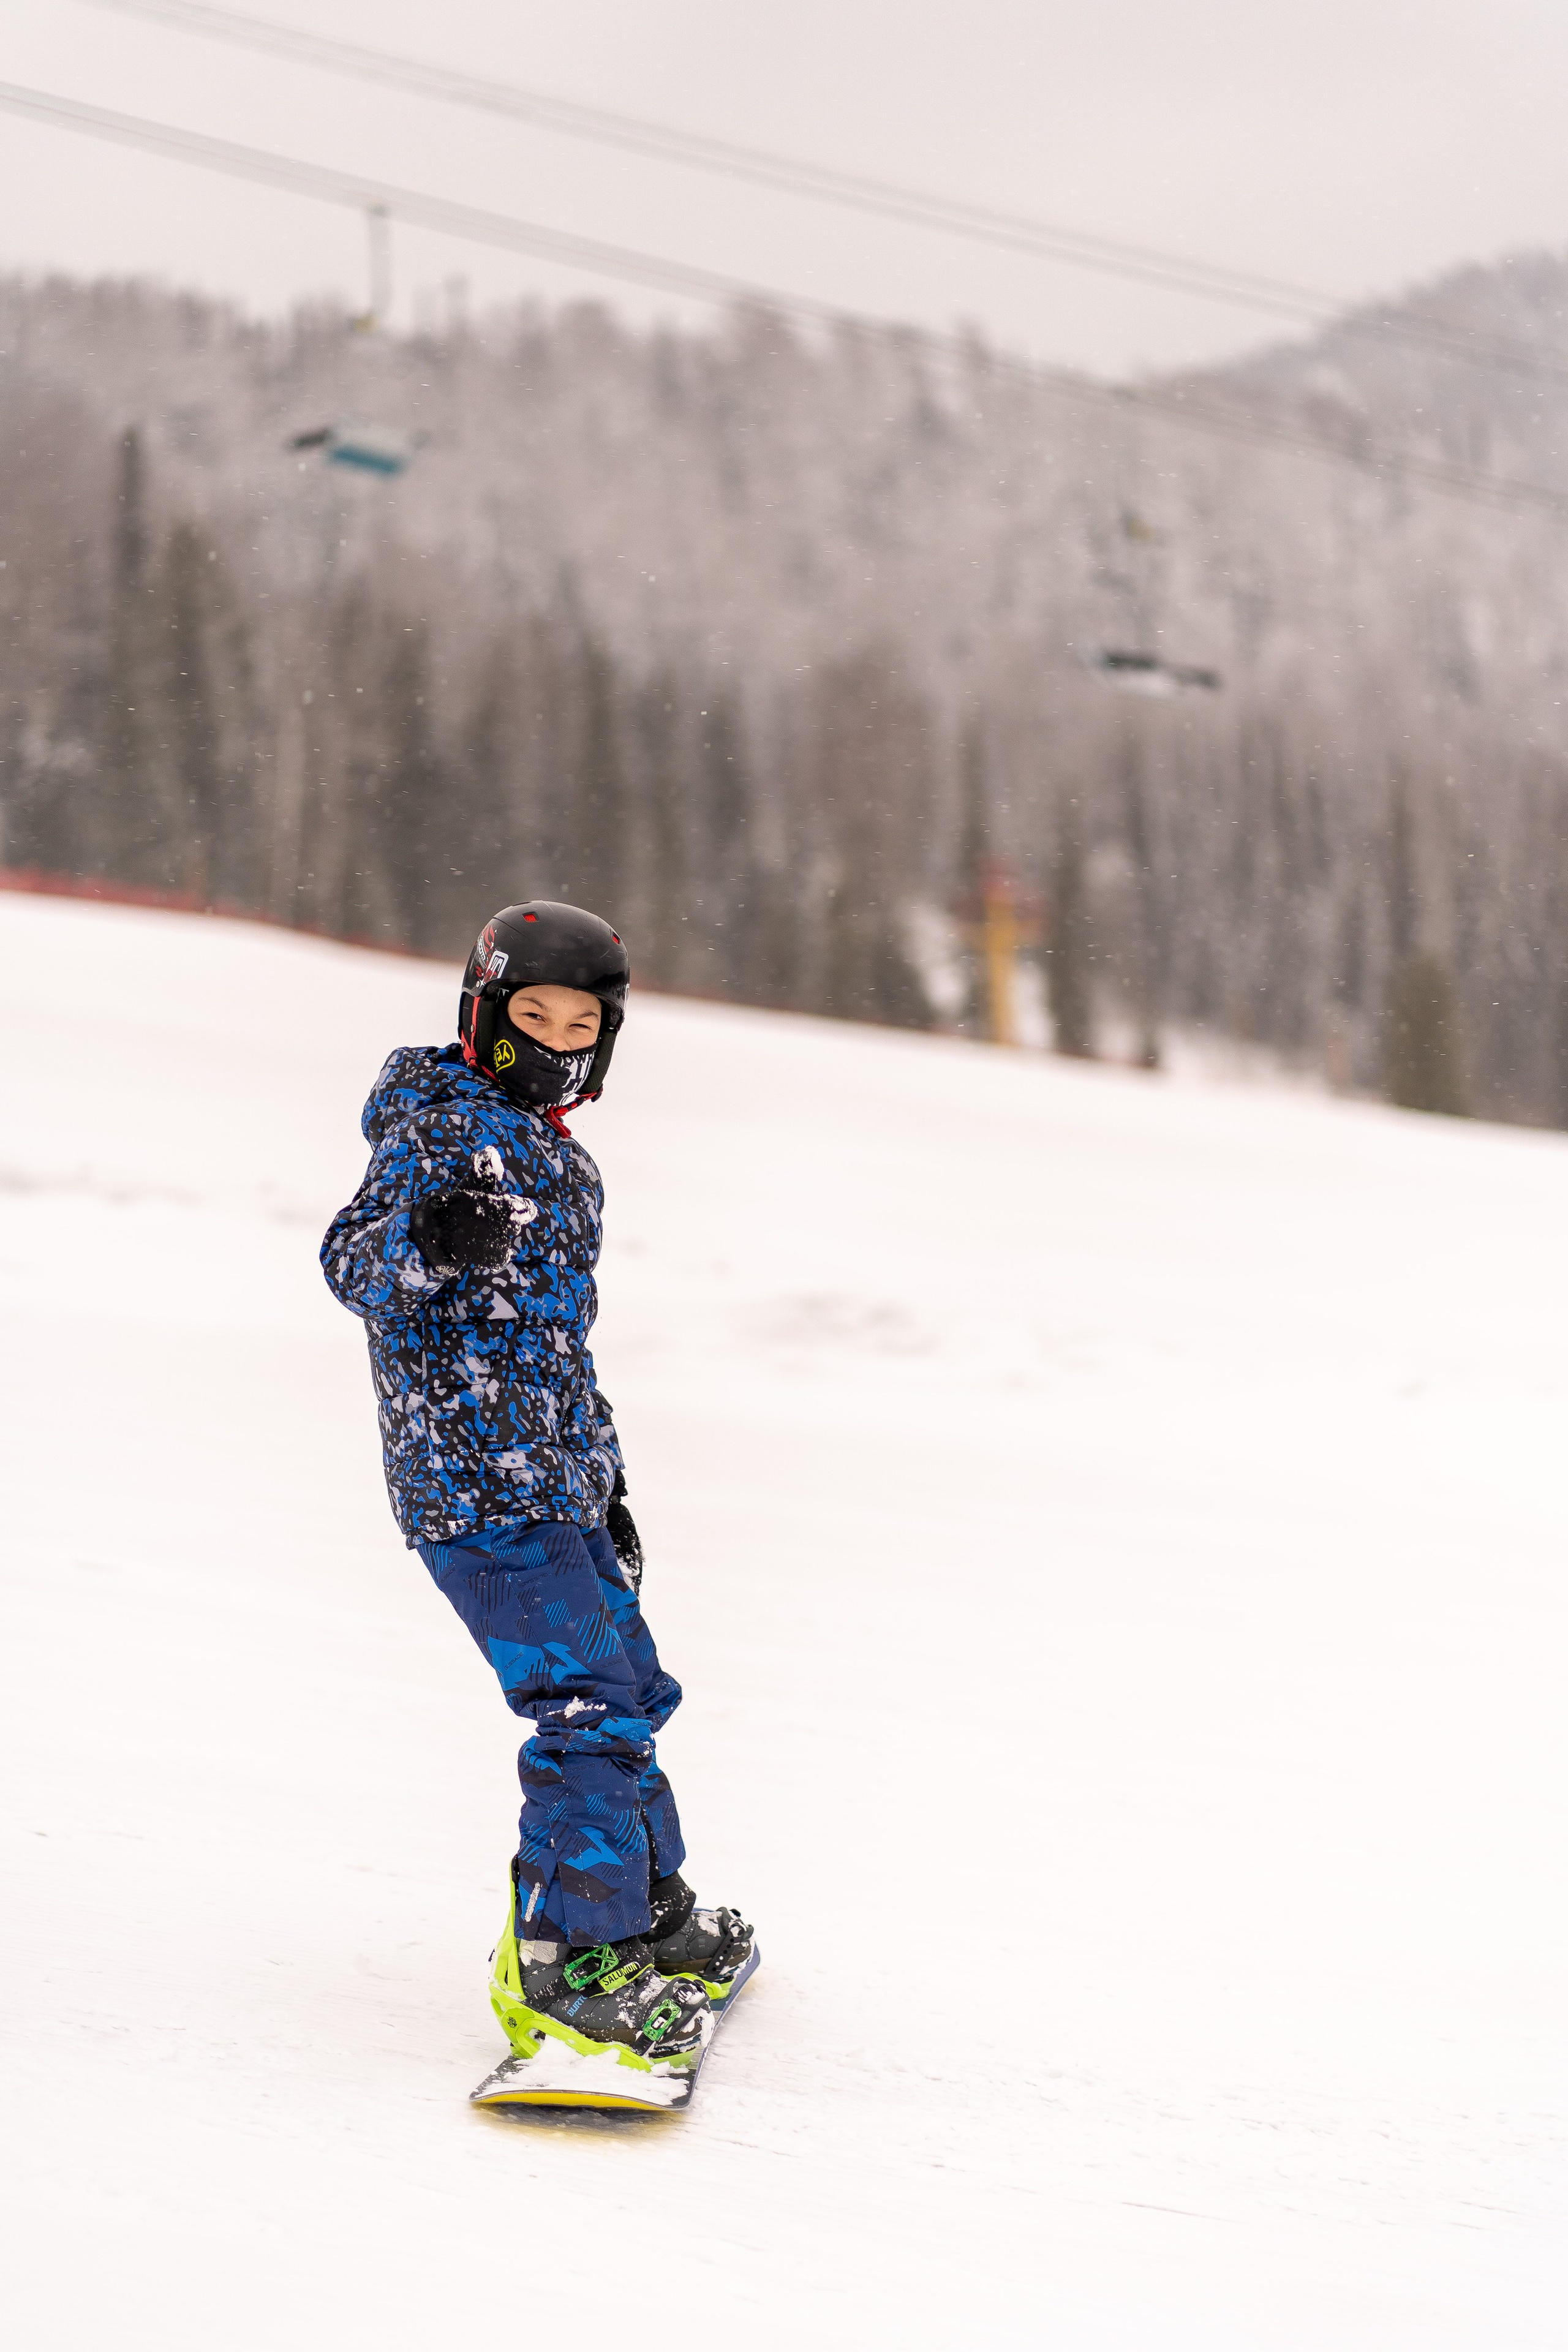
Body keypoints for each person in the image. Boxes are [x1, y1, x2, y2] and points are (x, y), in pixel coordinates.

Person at [321, 900, 755, 2080]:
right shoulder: (442, 1128)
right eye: (534, 1016)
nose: (556, 1043)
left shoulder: (562, 1161)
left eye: (580, 1026)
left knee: (631, 1692)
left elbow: (559, 1350)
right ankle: (574, 1963)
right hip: (474, 1486)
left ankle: (647, 1912)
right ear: (484, 1013)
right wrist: (429, 1239)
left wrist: (603, 1482)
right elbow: (353, 1262)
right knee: (585, 1709)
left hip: (552, 1481)